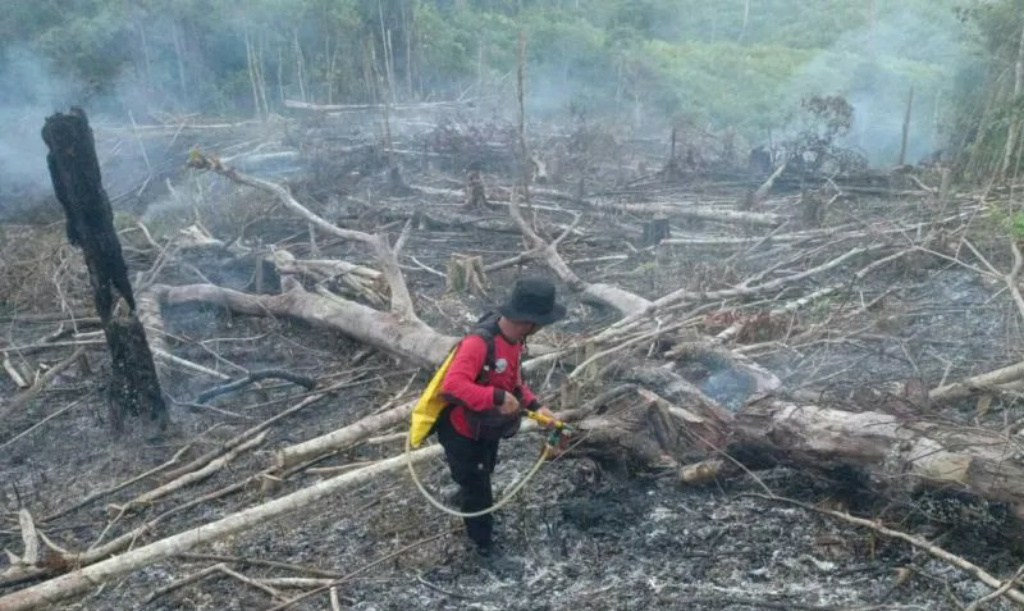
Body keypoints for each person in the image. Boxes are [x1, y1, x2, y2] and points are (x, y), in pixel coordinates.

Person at [436, 277, 566, 556]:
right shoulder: (479, 343)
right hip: (462, 432)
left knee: (486, 470)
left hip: (487, 428)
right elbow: (452, 386)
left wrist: (535, 405)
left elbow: (513, 383)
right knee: (479, 491)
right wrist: (495, 398)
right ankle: (483, 546)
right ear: (530, 321)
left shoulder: (515, 341)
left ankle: (467, 492)